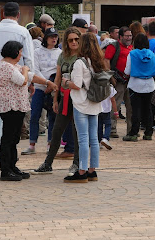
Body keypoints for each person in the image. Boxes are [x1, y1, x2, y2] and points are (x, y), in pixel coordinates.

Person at [0, 40, 53, 181]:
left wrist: (47, 82)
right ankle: (5, 170)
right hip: (10, 107)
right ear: (14, 52)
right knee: (8, 138)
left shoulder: (13, 66)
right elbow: (23, 80)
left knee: (14, 138)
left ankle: (12, 166)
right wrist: (26, 71)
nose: (21, 55)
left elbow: (31, 77)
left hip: (18, 106)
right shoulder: (5, 67)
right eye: (20, 52)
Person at [0, 2, 34, 161]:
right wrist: (30, 80)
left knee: (1, 113)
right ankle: (6, 152)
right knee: (13, 116)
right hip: (17, 76)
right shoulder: (22, 31)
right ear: (18, 15)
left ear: (2, 14)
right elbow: (28, 57)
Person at [32, 27, 82, 175]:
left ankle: (77, 164)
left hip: (79, 99)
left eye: (76, 39)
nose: (74, 42)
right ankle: (48, 163)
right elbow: (58, 78)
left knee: (77, 132)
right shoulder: (63, 55)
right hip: (64, 98)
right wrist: (55, 99)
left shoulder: (83, 55)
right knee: (57, 130)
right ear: (66, 41)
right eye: (70, 40)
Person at [59, 33, 105, 183]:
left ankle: (82, 171)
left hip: (81, 102)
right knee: (94, 138)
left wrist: (66, 82)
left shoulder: (80, 62)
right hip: (95, 102)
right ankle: (92, 170)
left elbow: (77, 85)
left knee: (83, 138)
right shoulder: (97, 61)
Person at [22, 28, 62, 155]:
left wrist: (53, 84)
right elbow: (35, 69)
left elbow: (59, 71)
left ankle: (50, 144)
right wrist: (46, 82)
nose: (53, 39)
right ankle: (32, 144)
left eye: (55, 36)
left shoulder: (60, 53)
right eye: (51, 36)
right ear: (46, 38)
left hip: (54, 88)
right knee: (35, 115)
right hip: (40, 87)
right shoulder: (37, 52)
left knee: (52, 116)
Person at [123, 33, 155, 141]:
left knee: (136, 110)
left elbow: (127, 71)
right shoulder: (151, 54)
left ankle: (134, 133)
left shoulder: (132, 54)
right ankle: (148, 133)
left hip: (136, 84)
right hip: (149, 84)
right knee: (148, 109)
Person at [104, 26, 133, 138]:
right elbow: (106, 60)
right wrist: (110, 76)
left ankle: (131, 130)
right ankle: (112, 129)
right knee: (115, 104)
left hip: (129, 81)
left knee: (130, 107)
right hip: (118, 80)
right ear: (120, 36)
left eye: (130, 36)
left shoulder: (131, 47)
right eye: (126, 36)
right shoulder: (113, 46)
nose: (129, 38)